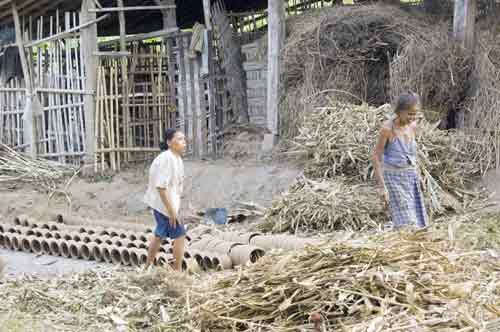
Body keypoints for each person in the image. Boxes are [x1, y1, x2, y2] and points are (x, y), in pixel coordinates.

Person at [371, 91, 428, 230]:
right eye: (409, 114)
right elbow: (376, 157)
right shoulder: (387, 130)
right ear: (399, 111)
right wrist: (382, 187)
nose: (412, 117)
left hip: (410, 177)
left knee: (419, 220)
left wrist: (419, 176)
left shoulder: (413, 126)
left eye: (415, 114)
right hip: (394, 179)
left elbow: (413, 155)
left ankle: (414, 247)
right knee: (407, 222)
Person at [143, 128, 186, 271]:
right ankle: (177, 271)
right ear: (169, 142)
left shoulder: (176, 158)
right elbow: (161, 187)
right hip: (163, 205)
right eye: (179, 139)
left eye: (184, 139)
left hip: (165, 204)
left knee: (159, 236)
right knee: (180, 235)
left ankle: (146, 267)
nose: (183, 142)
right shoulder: (167, 159)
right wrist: (171, 211)